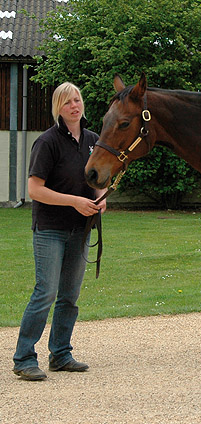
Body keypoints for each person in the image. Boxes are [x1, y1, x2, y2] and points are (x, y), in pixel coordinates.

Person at [13, 82, 107, 381]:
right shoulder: (47, 142)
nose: (74, 106)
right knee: (45, 293)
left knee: (69, 295)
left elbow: (98, 178)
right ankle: (24, 357)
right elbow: (34, 190)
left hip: (81, 229)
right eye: (67, 102)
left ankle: (61, 354)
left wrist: (101, 196)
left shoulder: (94, 140)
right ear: (58, 108)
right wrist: (75, 202)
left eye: (77, 99)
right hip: (51, 228)